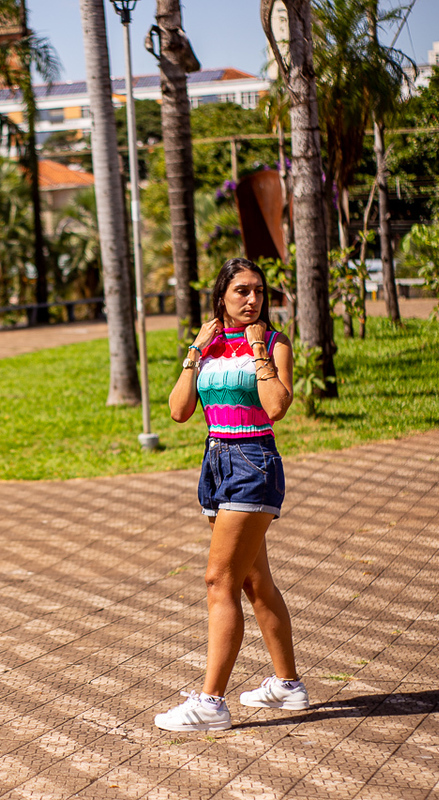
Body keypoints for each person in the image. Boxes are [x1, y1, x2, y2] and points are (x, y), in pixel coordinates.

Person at [154, 257, 308, 732]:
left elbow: (277, 406)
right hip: (215, 463)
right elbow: (180, 411)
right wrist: (195, 352)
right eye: (242, 291)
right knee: (252, 580)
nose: (252, 300)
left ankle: (211, 703)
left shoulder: (274, 342)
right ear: (222, 295)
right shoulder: (210, 345)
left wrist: (260, 349)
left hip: (253, 463)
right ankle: (287, 686)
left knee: (218, 580)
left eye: (259, 291)